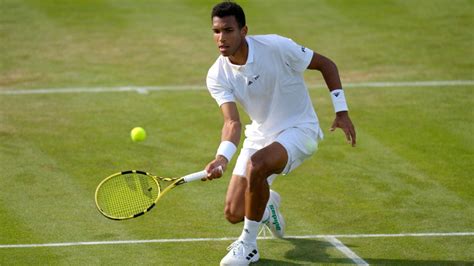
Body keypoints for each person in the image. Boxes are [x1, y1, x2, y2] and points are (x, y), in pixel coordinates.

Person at [202, 1, 356, 265]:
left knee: (257, 165)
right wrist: (222, 158)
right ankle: (267, 205)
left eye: (228, 30)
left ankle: (248, 246)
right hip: (260, 134)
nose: (221, 38)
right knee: (233, 211)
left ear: (244, 30)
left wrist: (341, 111)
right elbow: (232, 123)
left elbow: (326, 65)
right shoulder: (217, 74)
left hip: (300, 129)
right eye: (216, 31)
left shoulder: (276, 47)